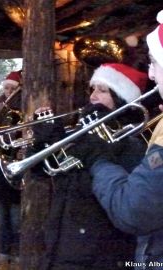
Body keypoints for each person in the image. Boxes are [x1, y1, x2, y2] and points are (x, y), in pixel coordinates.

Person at [29, 63, 148, 270]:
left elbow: (103, 191)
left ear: (121, 99)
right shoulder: (82, 133)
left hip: (101, 253)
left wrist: (81, 146)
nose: (93, 96)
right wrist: (43, 142)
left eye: (102, 91)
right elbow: (44, 172)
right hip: (62, 242)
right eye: (93, 89)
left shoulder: (133, 142)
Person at [71, 10, 163, 269]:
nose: (152, 76)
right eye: (93, 89)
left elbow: (134, 209)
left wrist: (98, 159)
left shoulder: (136, 132)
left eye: (155, 64)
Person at [0, 71, 22, 270]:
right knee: (2, 217)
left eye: (12, 89)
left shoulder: (22, 109)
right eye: (6, 88)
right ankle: (4, 256)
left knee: (16, 219)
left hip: (15, 167)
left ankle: (17, 256)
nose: (8, 91)